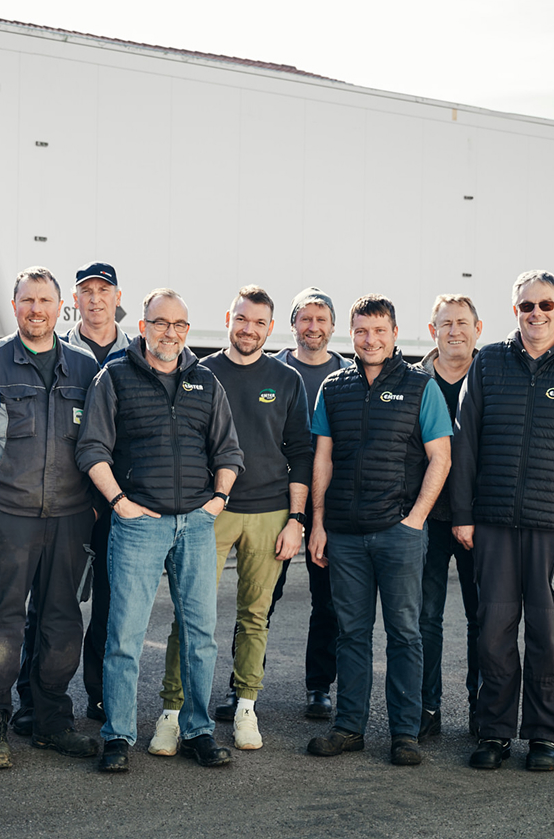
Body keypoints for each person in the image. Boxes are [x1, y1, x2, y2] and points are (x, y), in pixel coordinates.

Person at [450, 270, 554, 772]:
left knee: (546, 636)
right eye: (526, 306)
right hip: (494, 526)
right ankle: (495, 733)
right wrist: (463, 514)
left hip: (553, 529)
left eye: (545, 305)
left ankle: (544, 736)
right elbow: (465, 441)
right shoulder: (489, 362)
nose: (535, 314)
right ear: (514, 310)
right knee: (493, 633)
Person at [76, 288, 244, 773]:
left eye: (179, 324)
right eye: (160, 323)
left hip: (196, 524)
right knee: (124, 636)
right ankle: (118, 735)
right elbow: (92, 448)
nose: (170, 332)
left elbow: (228, 451)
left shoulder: (206, 381)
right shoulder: (114, 377)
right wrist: (120, 503)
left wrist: (217, 501)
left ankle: (198, 731)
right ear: (143, 325)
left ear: (188, 330)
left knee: (201, 635)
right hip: (138, 525)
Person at [0, 268, 100, 769]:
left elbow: (102, 438)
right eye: (27, 300)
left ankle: (49, 719)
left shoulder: (84, 365)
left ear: (60, 307)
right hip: (4, 514)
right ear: (14, 306)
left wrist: (95, 504)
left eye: (45, 301)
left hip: (70, 518)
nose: (36, 309)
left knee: (63, 624)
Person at [154, 286, 313, 753]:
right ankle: (173, 710)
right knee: (190, 615)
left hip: (270, 513)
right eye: (242, 319)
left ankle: (245, 705)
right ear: (228, 319)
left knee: (255, 617)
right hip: (210, 512)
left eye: (259, 322)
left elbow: (300, 452)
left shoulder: (287, 380)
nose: (249, 329)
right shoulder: (200, 374)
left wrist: (296, 519)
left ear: (271, 328)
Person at [306, 294, 452, 767]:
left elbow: (440, 458)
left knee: (405, 633)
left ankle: (404, 734)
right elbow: (323, 459)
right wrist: (318, 523)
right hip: (345, 534)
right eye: (362, 331)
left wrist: (416, 519)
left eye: (379, 331)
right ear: (351, 334)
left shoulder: (421, 386)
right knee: (351, 633)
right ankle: (349, 727)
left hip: (398, 532)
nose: (370, 340)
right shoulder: (333, 387)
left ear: (394, 334)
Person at [14, 261, 130, 734]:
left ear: (118, 298)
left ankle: (100, 695)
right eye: (87, 291)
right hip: (65, 504)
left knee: (111, 604)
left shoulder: (137, 354)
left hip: (119, 503)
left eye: (104, 291)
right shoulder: (58, 352)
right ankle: (32, 700)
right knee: (47, 605)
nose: (96, 299)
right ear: (74, 302)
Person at [258, 287, 347, 721]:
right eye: (305, 318)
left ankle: (319, 687)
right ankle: (243, 685)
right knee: (259, 596)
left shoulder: (347, 374)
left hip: (329, 504)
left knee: (327, 601)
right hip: (277, 501)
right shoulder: (271, 370)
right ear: (292, 324)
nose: (313, 327)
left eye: (321, 319)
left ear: (332, 326)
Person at [416, 295, 483, 739]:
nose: (454, 330)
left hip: (480, 519)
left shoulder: (493, 377)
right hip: (426, 518)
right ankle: (427, 708)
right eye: (446, 323)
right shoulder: (415, 380)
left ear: (478, 328)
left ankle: (481, 708)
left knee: (484, 619)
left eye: (462, 322)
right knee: (425, 618)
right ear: (432, 330)